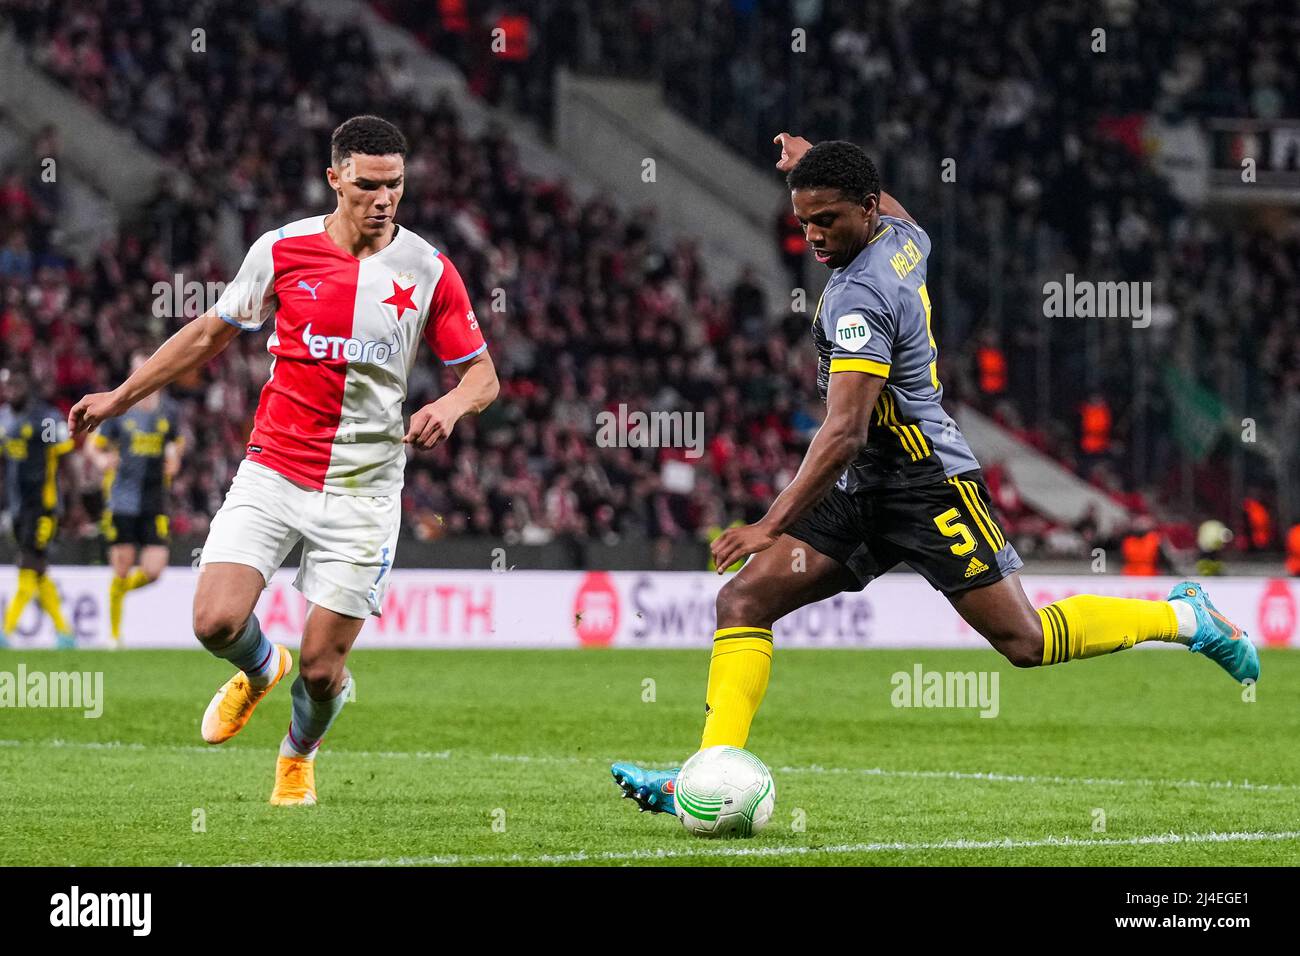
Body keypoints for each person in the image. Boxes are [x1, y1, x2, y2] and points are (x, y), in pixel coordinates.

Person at [611, 134, 1259, 815]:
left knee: (1026, 641)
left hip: (926, 482)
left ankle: (1186, 617)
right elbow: (903, 214)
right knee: (743, 603)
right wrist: (812, 163)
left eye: (827, 219)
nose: (813, 236)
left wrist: (769, 524)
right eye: (803, 221)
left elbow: (844, 431)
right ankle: (708, 773)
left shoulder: (858, 300)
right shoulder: (899, 239)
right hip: (867, 488)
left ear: (863, 209)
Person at [69, 115, 499, 805]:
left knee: (327, 673)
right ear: (335, 179)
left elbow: (483, 376)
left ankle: (298, 752)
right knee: (213, 622)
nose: (383, 198)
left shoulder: (428, 269)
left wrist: (450, 407)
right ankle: (262, 667)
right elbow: (209, 332)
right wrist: (122, 396)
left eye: (395, 184)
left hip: (364, 490)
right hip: (273, 470)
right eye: (367, 184)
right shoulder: (282, 250)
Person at [85, 351, 184, 646]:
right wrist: (101, 460)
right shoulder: (121, 410)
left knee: (154, 571)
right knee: (123, 566)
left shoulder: (169, 410)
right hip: (122, 501)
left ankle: (117, 593)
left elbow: (176, 443)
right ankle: (114, 637)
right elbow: (93, 445)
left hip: (155, 500)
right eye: (136, 369)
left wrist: (175, 457)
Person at [0, 368, 77, 649]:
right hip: (17, 507)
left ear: (26, 386)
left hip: (43, 506)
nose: (9, 391)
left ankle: (5, 630)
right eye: (6, 386)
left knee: (27, 562)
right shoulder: (4, 418)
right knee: (39, 569)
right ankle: (65, 633)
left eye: (15, 385)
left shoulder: (47, 418)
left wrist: (74, 504)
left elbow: (67, 463)